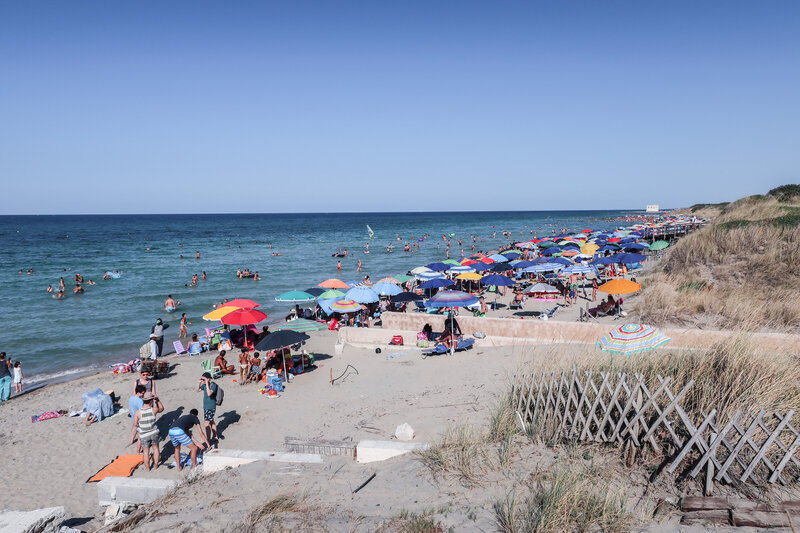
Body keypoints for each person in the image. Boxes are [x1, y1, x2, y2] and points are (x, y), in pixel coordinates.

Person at [130, 392, 164, 470]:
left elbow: (135, 424)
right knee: (156, 449)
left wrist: (141, 426)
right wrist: (157, 400)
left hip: (144, 434)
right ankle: (156, 465)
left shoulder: (138, 412)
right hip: (154, 432)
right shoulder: (154, 409)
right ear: (151, 400)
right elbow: (162, 408)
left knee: (146, 452)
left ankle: (147, 468)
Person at [197, 373, 219, 444]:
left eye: (204, 379)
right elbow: (197, 390)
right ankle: (215, 436)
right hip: (206, 407)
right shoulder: (204, 385)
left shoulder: (213, 385)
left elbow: (209, 393)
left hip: (211, 407)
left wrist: (206, 382)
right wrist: (199, 383)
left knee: (206, 424)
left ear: (209, 379)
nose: (203, 380)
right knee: (211, 421)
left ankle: (208, 440)